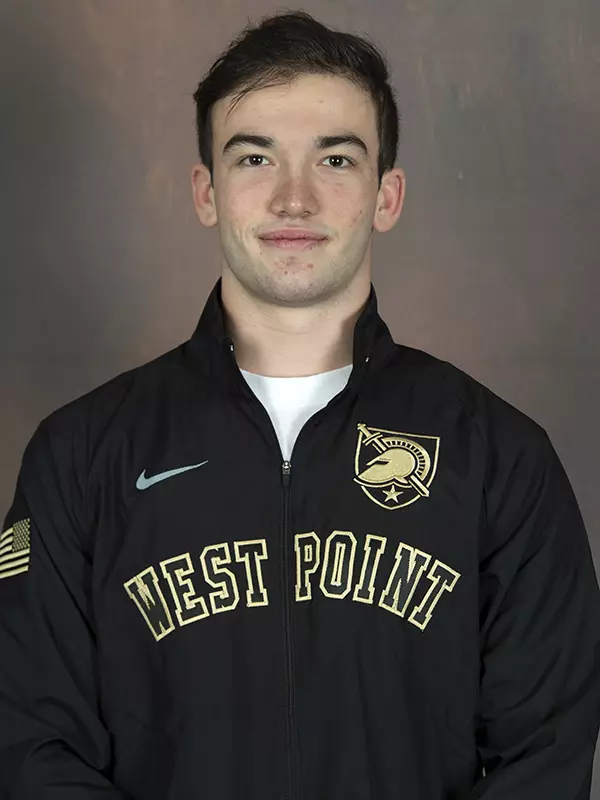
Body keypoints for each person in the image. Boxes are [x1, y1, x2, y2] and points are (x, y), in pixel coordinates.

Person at [1, 9, 599, 799]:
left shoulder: (500, 457)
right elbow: (33, 746)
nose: (293, 198)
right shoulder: (79, 456)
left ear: (387, 195)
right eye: (254, 157)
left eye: (336, 160)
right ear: (205, 192)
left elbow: (545, 753)